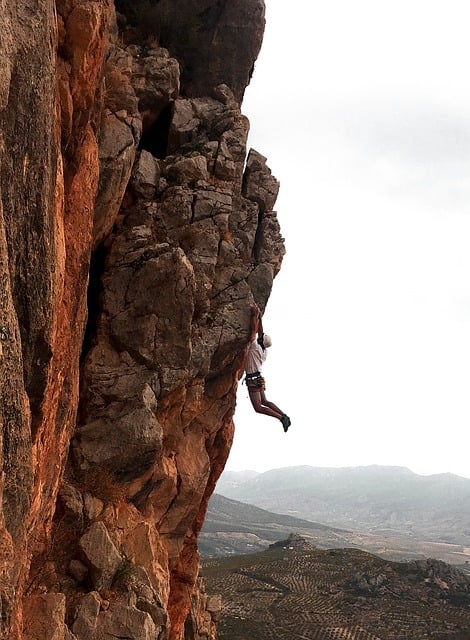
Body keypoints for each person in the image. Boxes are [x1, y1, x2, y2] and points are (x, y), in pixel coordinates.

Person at [244, 304, 291, 432]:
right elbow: (260, 332)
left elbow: (254, 331)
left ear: (261, 341)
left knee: (258, 407)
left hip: (253, 380)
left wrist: (254, 315)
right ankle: (284, 416)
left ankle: (281, 418)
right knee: (265, 401)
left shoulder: (254, 347)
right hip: (258, 378)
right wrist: (260, 317)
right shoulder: (264, 351)